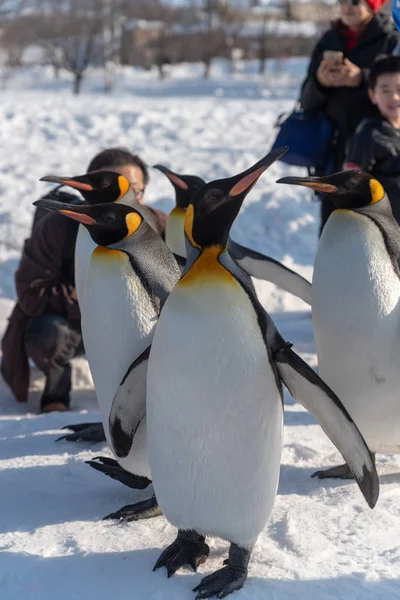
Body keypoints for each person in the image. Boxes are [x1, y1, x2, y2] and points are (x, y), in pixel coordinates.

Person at [1, 148, 167, 412]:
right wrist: (96, 302)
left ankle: (139, 409)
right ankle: (55, 398)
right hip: (73, 326)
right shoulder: (63, 224)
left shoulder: (156, 224)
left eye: (135, 190)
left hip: (135, 327)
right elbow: (30, 289)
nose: (126, 198)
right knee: (48, 333)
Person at [300, 0, 398, 233]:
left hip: (380, 148)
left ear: (373, 6)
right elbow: (306, 101)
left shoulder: (391, 39)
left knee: (382, 226)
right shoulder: (328, 40)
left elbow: (395, 90)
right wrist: (321, 83)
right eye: (342, 1)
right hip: (334, 148)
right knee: (335, 225)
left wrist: (360, 79)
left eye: (355, 1)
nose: (347, 7)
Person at [344, 54, 400, 221]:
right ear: (372, 95)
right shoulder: (367, 136)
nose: (394, 97)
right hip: (387, 230)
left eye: (399, 89)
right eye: (385, 90)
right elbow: (351, 191)